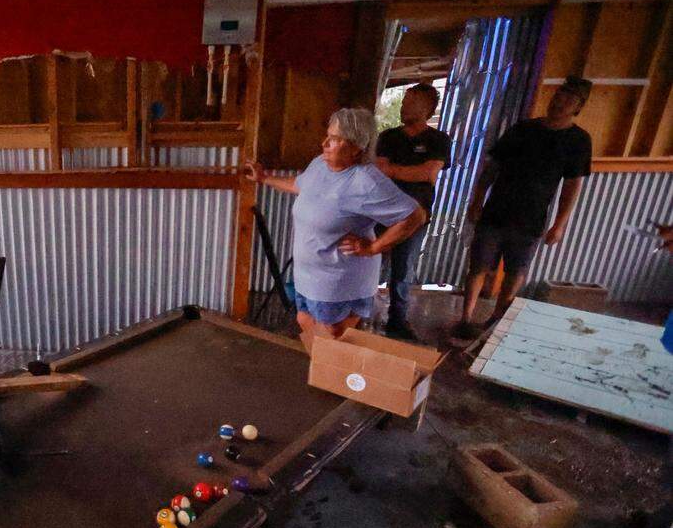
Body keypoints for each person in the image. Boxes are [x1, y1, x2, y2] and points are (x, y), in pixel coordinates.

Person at [245, 108, 427, 352]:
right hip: (309, 275)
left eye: (335, 139)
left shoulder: (365, 181)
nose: (324, 144)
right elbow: (301, 186)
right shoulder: (320, 164)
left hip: (339, 280)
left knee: (332, 338)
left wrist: (374, 247)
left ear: (356, 147)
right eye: (327, 136)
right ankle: (324, 376)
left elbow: (415, 215)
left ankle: (335, 383)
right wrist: (264, 178)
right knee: (305, 321)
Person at [453, 76, 593, 339]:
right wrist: (476, 199)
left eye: (569, 99)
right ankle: (466, 318)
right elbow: (492, 166)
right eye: (559, 95)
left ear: (578, 107)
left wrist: (559, 224)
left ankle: (496, 319)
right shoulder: (523, 129)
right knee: (479, 266)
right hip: (495, 211)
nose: (560, 102)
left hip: (531, 218)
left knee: (516, 271)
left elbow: (572, 186)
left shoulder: (578, 140)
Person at [375, 83, 450, 340]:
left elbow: (429, 174)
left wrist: (395, 170)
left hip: (415, 216)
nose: (405, 106)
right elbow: (381, 170)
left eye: (412, 101)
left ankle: (397, 320)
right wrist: (411, 172)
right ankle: (359, 312)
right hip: (382, 212)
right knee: (372, 261)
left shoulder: (438, 140)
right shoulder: (388, 137)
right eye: (405, 100)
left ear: (428, 108)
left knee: (403, 267)